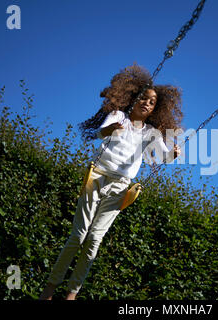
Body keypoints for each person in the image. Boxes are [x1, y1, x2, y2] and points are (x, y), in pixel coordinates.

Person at [39, 64, 183, 300]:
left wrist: (173, 155)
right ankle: (50, 288)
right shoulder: (118, 116)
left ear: (155, 109)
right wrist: (109, 131)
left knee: (95, 238)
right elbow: (100, 132)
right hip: (96, 177)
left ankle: (71, 294)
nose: (147, 103)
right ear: (133, 97)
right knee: (79, 235)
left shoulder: (151, 133)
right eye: (143, 98)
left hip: (120, 186)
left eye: (152, 102)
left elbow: (164, 157)